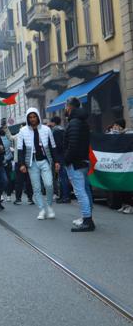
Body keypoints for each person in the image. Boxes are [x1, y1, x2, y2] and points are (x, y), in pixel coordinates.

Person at [16, 108, 59, 220]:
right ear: (27, 118)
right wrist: (21, 164)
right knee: (36, 188)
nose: (32, 119)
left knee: (49, 185)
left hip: (45, 161)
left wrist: (57, 161)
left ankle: (49, 206)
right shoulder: (23, 131)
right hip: (31, 163)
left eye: (34, 116)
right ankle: (41, 209)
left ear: (38, 117)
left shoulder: (46, 129)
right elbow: (20, 149)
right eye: (30, 117)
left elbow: (53, 146)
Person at [63, 97, 95, 232]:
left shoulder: (74, 122)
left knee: (80, 191)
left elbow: (73, 145)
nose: (65, 109)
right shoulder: (81, 121)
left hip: (75, 162)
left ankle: (87, 221)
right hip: (82, 160)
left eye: (66, 106)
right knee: (85, 190)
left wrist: (66, 160)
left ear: (69, 107)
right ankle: (87, 217)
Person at [48, 116, 71, 204]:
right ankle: (64, 196)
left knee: (62, 177)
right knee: (63, 176)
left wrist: (55, 157)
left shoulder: (55, 131)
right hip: (64, 155)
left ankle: (65, 197)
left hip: (59, 157)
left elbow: (56, 146)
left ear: (53, 122)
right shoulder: (63, 130)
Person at [0, 125, 15, 202]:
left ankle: (1, 195)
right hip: (9, 161)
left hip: (0, 162)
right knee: (9, 179)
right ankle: (8, 195)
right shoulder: (9, 140)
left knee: (0, 179)